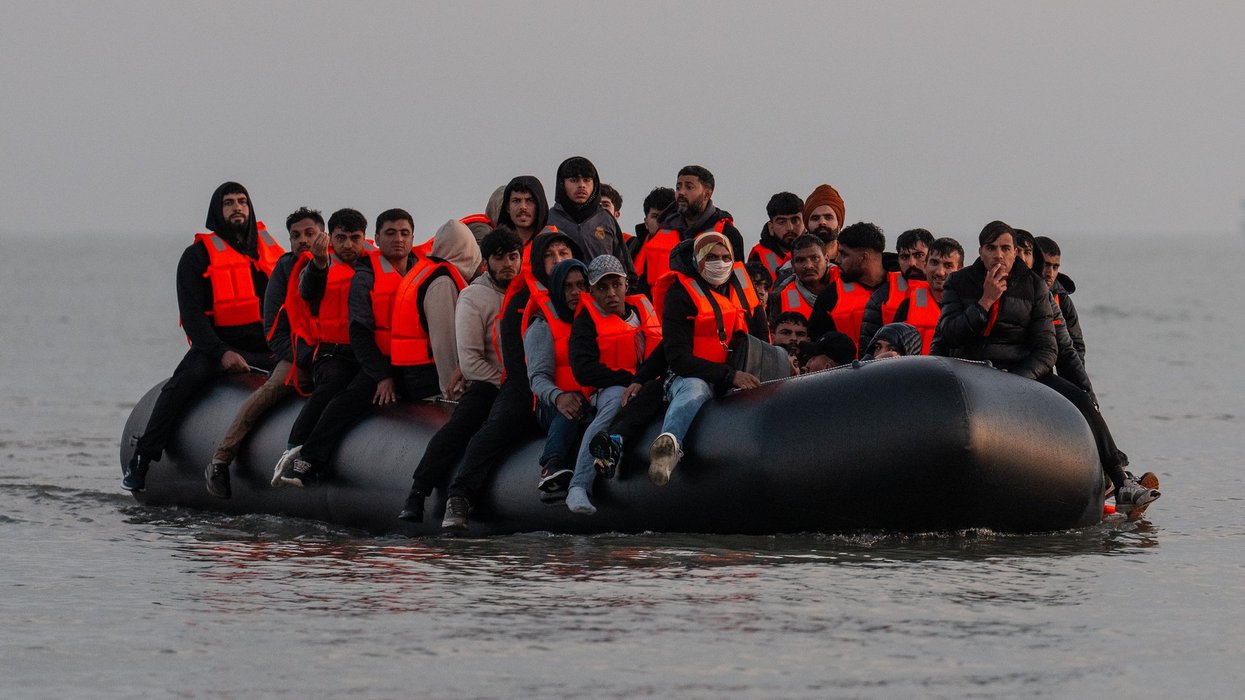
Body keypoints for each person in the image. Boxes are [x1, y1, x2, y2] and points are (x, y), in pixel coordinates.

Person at [931, 220, 1159, 519]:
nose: (999, 255)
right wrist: (985, 301)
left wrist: (1017, 381)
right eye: (992, 249)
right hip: (973, 371)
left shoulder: (1035, 286)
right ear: (981, 252)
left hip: (1020, 373)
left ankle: (1121, 481)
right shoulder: (959, 283)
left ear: (1015, 253)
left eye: (1006, 249)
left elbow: (1048, 349)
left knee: (1080, 398)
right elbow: (949, 335)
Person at [123, 182, 283, 492]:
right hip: (216, 347)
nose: (237, 208)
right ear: (217, 212)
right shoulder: (197, 256)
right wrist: (222, 353)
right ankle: (142, 459)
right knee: (180, 385)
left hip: (267, 348)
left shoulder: (271, 253)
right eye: (229, 203)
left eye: (242, 202)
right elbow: (193, 317)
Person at [276, 208, 442, 487]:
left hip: (415, 364)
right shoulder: (364, 274)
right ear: (378, 238)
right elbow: (358, 331)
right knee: (342, 395)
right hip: (353, 356)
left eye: (404, 233)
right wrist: (382, 376)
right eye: (390, 233)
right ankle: (300, 455)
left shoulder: (425, 272)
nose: (398, 239)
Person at [439, 227, 583, 530]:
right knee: (496, 429)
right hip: (527, 388)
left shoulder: (588, 293)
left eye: (564, 254)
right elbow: (520, 367)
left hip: (584, 389)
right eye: (549, 255)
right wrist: (549, 396)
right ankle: (460, 496)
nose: (558, 260)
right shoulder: (521, 301)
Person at [397, 227, 522, 522]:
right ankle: (418, 493)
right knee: (460, 427)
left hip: (524, 386)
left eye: (513, 257)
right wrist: (508, 382)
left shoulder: (530, 293)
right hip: (491, 383)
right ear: (486, 261)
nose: (507, 264)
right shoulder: (473, 297)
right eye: (499, 258)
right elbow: (470, 363)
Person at [204, 207, 321, 498]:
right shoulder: (283, 270)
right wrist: (303, 357)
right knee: (267, 394)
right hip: (300, 358)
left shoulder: (343, 267)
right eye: (296, 236)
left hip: (338, 358)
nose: (303, 240)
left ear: (323, 235)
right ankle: (220, 460)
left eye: (310, 234)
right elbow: (273, 332)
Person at [647, 231, 768, 485]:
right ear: (697, 259)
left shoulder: (744, 290)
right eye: (711, 257)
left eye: (725, 257)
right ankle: (669, 444)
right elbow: (678, 359)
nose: (720, 263)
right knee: (694, 388)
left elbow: (762, 338)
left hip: (739, 374)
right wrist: (730, 375)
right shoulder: (680, 295)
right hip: (690, 375)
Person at [271, 208, 371, 484]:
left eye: (354, 238)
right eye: (341, 238)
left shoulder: (374, 264)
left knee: (355, 394)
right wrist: (317, 263)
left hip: (366, 355)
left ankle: (310, 457)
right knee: (332, 383)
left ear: (364, 238)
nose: (348, 245)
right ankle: (294, 447)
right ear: (330, 238)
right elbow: (307, 290)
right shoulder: (318, 265)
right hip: (329, 351)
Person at [565, 255, 663, 515]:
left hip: (649, 384)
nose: (611, 293)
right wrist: (630, 381)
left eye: (616, 285)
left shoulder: (644, 308)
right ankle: (579, 485)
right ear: (592, 291)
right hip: (609, 388)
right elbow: (584, 371)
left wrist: (642, 381)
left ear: (626, 285)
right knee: (616, 402)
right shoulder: (586, 321)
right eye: (602, 287)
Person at [389, 219, 482, 398]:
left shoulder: (423, 271)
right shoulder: (442, 282)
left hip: (409, 373)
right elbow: (444, 340)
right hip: (426, 378)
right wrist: (453, 391)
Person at [525, 258, 592, 492]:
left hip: (591, 396)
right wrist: (559, 397)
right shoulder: (542, 325)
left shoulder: (595, 318)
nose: (575, 292)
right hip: (551, 403)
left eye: (581, 285)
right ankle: (551, 466)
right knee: (572, 408)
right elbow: (538, 378)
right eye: (568, 286)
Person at [634, 165, 747, 291]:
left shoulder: (727, 234)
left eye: (689, 187)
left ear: (706, 195)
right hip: (662, 308)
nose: (681, 192)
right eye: (678, 187)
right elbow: (645, 282)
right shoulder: (662, 231)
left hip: (709, 309)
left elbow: (738, 288)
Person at [806, 222, 889, 355]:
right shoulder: (830, 296)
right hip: (851, 374)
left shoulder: (908, 289)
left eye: (844, 254)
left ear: (864, 257)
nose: (837, 260)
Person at [545, 156, 633, 270]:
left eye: (587, 180)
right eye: (574, 180)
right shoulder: (549, 220)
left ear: (594, 184)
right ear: (562, 184)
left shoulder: (606, 219)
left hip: (601, 287)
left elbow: (625, 265)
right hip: (562, 286)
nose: (581, 185)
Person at [858, 228, 935, 350]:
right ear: (898, 259)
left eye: (919, 255)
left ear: (931, 256)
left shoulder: (948, 293)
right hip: (895, 367)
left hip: (939, 367)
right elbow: (867, 347)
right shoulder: (882, 297)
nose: (912, 263)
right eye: (905, 257)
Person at [893, 237, 964, 353]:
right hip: (916, 370)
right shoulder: (907, 307)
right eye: (934, 263)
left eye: (948, 265)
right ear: (925, 265)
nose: (940, 272)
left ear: (960, 270)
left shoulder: (970, 307)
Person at [1035, 235, 1086, 362]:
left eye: (1055, 267)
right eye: (1046, 265)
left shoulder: (1062, 300)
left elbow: (1076, 346)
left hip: (1045, 368)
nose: (1050, 273)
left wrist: (1077, 379)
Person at [768, 234, 831, 324]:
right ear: (793, 265)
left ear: (826, 260)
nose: (809, 266)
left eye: (815, 258)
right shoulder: (779, 297)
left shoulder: (846, 285)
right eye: (801, 260)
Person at [749, 192, 805, 280]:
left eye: (795, 220)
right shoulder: (758, 256)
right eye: (782, 222)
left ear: (804, 222)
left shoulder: (819, 249)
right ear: (771, 227)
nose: (790, 228)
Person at [495, 175, 549, 245]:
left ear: (539, 206)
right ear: (507, 207)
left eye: (530, 200)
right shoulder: (497, 247)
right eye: (516, 200)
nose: (523, 207)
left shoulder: (555, 244)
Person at [628, 186, 675, 260]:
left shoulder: (688, 247)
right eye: (655, 216)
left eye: (666, 216)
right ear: (646, 223)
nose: (661, 221)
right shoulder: (631, 248)